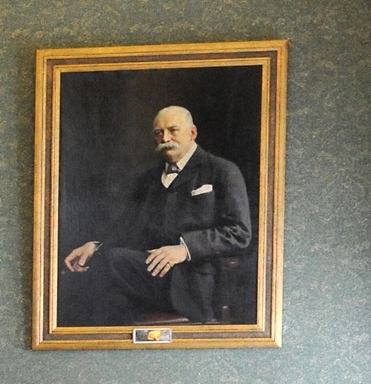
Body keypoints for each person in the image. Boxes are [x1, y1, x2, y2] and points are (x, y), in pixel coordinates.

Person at [58, 105, 253, 326]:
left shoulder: (222, 171)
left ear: (192, 133)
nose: (165, 138)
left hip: (194, 284)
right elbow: (127, 227)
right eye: (159, 133)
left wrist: (184, 249)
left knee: (110, 263)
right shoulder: (149, 179)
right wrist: (95, 246)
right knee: (110, 304)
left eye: (173, 130)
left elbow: (239, 233)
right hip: (149, 277)